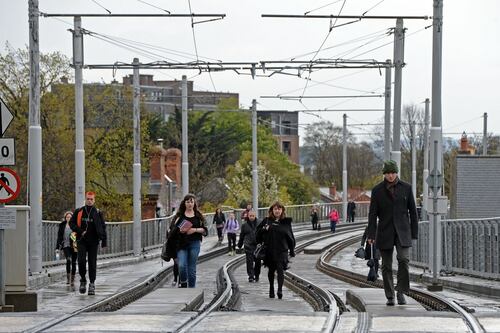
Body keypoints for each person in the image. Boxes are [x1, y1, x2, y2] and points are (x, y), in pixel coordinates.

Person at [366, 160, 418, 306]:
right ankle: (390, 296)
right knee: (386, 266)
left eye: (393, 173)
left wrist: (414, 233)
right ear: (384, 174)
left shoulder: (406, 188)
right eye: (388, 173)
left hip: (403, 231)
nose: (390, 176)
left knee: (403, 260)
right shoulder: (377, 190)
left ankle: (401, 291)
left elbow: (413, 212)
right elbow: (372, 214)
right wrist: (371, 235)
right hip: (384, 231)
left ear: (396, 173)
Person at [69, 191, 107, 295]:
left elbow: (103, 227)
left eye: (91, 199)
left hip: (93, 241)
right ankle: (82, 279)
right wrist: (80, 231)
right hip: (81, 240)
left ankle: (92, 283)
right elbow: (71, 223)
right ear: (85, 199)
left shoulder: (97, 213)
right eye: (88, 199)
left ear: (94, 200)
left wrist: (104, 241)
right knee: (81, 261)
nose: (89, 201)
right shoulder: (79, 211)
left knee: (92, 263)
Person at [256, 201, 295, 300]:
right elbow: (257, 233)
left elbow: (290, 236)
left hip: (282, 250)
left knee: (280, 269)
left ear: (282, 210)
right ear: (272, 210)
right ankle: (271, 288)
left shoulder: (286, 222)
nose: (277, 211)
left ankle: (280, 290)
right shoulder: (267, 220)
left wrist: (292, 249)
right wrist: (264, 229)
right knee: (271, 270)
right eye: (275, 209)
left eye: (279, 209)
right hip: (270, 250)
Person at [170, 193, 207, 288]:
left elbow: (205, 230)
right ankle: (183, 283)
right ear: (184, 203)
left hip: (194, 244)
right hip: (181, 244)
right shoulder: (179, 216)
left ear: (194, 203)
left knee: (191, 269)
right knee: (182, 266)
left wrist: (194, 230)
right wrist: (180, 230)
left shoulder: (198, 216)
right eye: (188, 202)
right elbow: (172, 232)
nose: (190, 204)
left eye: (192, 201)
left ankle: (191, 289)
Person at [237, 210, 261, 282]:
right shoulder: (244, 225)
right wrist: (240, 244)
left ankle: (256, 275)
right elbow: (242, 236)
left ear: (255, 215)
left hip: (258, 246)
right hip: (248, 245)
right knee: (249, 261)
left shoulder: (259, 223)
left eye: (253, 216)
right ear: (248, 216)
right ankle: (251, 276)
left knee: (258, 262)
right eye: (250, 216)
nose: (251, 217)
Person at [56, 211, 78, 286]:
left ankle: (72, 279)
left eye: (70, 217)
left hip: (74, 245)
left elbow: (79, 234)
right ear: (65, 218)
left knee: (74, 262)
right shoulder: (62, 225)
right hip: (66, 245)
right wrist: (57, 247)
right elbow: (59, 236)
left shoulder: (75, 225)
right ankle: (68, 278)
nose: (69, 218)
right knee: (68, 260)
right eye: (67, 217)